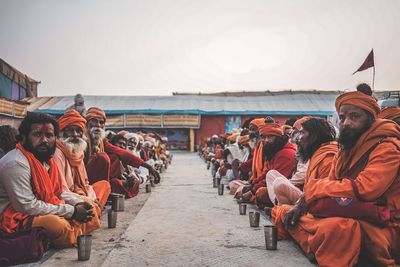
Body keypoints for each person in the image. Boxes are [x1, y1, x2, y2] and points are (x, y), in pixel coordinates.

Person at [280, 87, 400, 266]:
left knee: (338, 228)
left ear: (370, 119)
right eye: (342, 118)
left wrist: (314, 189)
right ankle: (318, 244)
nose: (346, 123)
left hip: (381, 223)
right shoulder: (345, 148)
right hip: (348, 210)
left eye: (354, 116)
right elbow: (332, 182)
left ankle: (317, 245)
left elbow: (366, 189)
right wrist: (304, 200)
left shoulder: (387, 146)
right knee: (285, 212)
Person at [0, 112, 98, 247]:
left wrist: (77, 203)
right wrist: (72, 211)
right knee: (57, 225)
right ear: (23, 137)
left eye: (49, 135)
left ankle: (59, 236)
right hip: (12, 217)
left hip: (40, 207)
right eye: (37, 134)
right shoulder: (16, 163)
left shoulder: (47, 161)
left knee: (89, 208)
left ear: (56, 138)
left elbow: (58, 192)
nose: (45, 140)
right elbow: (26, 206)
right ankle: (63, 236)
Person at [84, 107, 160, 196]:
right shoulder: (82, 138)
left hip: (103, 179)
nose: (98, 125)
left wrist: (148, 167)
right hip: (82, 178)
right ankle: (100, 191)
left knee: (115, 160)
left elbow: (121, 152)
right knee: (103, 157)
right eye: (94, 121)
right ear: (87, 122)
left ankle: (105, 189)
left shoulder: (102, 141)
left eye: (101, 122)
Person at [54, 109, 111, 213]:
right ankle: (90, 211)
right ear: (62, 132)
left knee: (105, 185)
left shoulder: (78, 150)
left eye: (78, 130)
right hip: (67, 197)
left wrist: (91, 197)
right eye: (70, 130)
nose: (75, 134)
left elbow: (86, 183)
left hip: (81, 194)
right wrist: (86, 200)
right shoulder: (57, 154)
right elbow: (60, 192)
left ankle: (92, 210)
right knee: (89, 207)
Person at [265, 117, 313, 205]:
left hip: (307, 196)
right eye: (264, 137)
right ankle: (279, 205)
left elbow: (302, 174)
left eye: (297, 130)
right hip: (298, 190)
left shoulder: (289, 152)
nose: (292, 132)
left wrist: (288, 184)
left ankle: (280, 207)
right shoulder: (302, 149)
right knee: (271, 174)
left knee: (276, 184)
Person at [253, 120, 297, 208]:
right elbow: (266, 173)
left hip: (286, 191)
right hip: (271, 186)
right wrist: (252, 185)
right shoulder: (273, 150)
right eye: (264, 137)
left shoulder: (286, 153)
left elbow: (275, 179)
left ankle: (278, 209)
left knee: (261, 193)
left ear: (278, 137)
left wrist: (252, 190)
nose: (266, 140)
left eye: (270, 137)